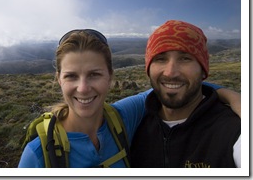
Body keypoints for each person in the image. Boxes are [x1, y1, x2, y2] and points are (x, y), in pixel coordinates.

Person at [18, 28, 241, 168]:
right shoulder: (39, 155)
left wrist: (234, 98)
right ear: (58, 79)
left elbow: (172, 88)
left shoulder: (123, 117)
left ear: (110, 77)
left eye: (95, 74)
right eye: (71, 76)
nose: (83, 88)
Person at [129, 20, 241, 168]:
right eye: (160, 59)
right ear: (148, 69)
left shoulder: (234, 129)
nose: (170, 72)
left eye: (185, 58)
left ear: (203, 70)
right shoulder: (133, 127)